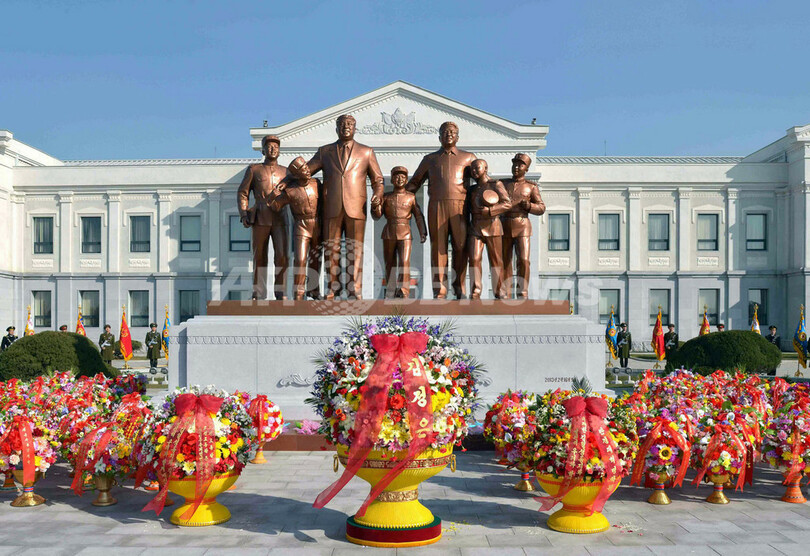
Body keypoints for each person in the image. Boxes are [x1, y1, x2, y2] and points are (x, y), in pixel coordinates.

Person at [307, 115, 384, 299]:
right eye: (342, 124)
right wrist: (288, 177)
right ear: (336, 128)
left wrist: (378, 194)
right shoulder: (325, 151)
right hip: (331, 207)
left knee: (354, 250)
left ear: (355, 128)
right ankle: (332, 288)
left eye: (350, 124)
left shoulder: (366, 152)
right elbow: (306, 171)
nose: (346, 127)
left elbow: (378, 180)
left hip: (356, 207)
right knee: (331, 250)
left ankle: (354, 288)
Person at [407, 121, 477, 299]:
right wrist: (398, 195)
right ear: (439, 137)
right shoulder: (430, 159)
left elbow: (482, 179)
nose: (449, 134)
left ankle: (459, 287)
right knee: (438, 248)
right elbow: (414, 183)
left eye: (452, 132)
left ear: (458, 137)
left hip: (460, 207)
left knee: (461, 247)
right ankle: (440, 289)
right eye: (445, 132)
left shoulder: (468, 158)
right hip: (437, 206)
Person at [237, 134, 290, 300]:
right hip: (260, 217)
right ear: (263, 150)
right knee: (259, 256)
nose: (273, 149)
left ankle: (281, 292)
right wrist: (243, 213)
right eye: (269, 146)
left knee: (282, 256)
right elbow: (243, 192)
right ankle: (258, 293)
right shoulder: (254, 170)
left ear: (279, 151)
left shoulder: (287, 172)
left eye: (276, 146)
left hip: (281, 218)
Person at [267, 157, 323, 301]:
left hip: (317, 225)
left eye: (306, 166)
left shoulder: (317, 184)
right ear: (296, 175)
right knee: (300, 259)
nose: (307, 170)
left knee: (316, 259)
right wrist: (274, 194)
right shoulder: (290, 191)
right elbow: (275, 206)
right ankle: (298, 293)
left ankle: (314, 290)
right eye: (303, 169)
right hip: (301, 226)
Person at [371, 166, 427, 298]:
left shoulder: (411, 197)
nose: (399, 179)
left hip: (405, 232)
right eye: (396, 176)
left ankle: (403, 290)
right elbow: (377, 216)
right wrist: (375, 206)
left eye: (402, 177)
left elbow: (418, 216)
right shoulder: (386, 197)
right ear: (392, 180)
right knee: (389, 263)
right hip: (389, 232)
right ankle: (390, 290)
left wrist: (422, 232)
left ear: (406, 180)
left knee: (404, 261)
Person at [501, 153, 545, 298]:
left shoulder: (531, 187)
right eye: (514, 164)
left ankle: (522, 292)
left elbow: (541, 207)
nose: (516, 167)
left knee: (524, 260)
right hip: (504, 224)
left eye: (520, 165)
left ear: (526, 169)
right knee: (505, 261)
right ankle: (505, 293)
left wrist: (530, 206)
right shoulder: (503, 184)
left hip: (522, 226)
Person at [468, 159, 512, 299]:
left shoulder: (495, 184)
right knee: (474, 259)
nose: (474, 171)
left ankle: (500, 291)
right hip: (475, 228)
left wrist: (490, 211)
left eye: (477, 168)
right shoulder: (472, 189)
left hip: (493, 226)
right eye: (472, 169)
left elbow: (507, 204)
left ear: (485, 168)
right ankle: (475, 290)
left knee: (496, 261)